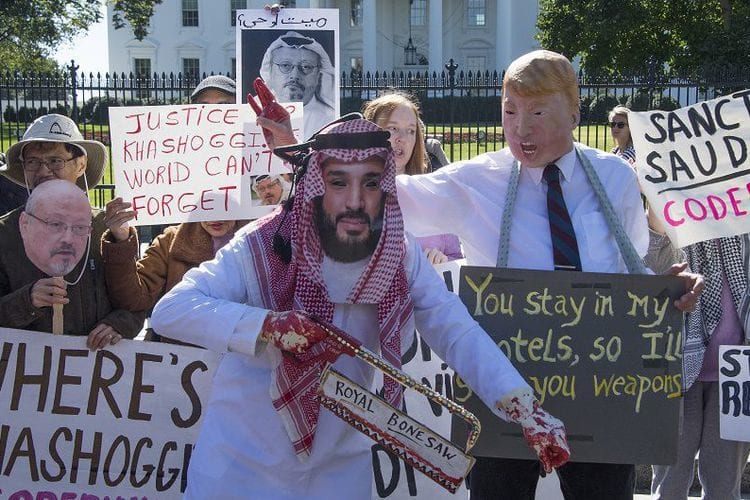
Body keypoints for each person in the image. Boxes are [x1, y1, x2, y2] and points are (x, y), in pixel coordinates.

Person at [149, 117, 570, 499]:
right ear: (316, 185)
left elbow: (453, 326)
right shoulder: (262, 245)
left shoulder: (399, 253)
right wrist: (268, 326)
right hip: (242, 467)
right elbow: (174, 309)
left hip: (339, 470)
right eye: (338, 183)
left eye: (370, 183)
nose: (355, 200)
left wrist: (523, 406)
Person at [395, 49, 704, 500]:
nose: (521, 128)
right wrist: (306, 152)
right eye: (509, 111)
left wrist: (667, 288)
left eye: (538, 112)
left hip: (602, 389)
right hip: (503, 391)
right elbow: (382, 197)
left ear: (576, 112)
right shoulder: (474, 181)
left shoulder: (614, 177)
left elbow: (628, 267)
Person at [101, 75, 248, 342]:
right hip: (181, 367)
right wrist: (121, 239)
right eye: (204, 107)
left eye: (225, 106)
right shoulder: (171, 242)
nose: (214, 114)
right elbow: (134, 297)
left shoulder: (265, 238)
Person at [0, 114, 143, 349]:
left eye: (55, 160)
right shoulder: (5, 232)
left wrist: (120, 324)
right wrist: (27, 301)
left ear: (81, 164)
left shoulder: (106, 228)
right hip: (28, 375)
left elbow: (135, 302)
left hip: (96, 371)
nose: (43, 171)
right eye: (33, 162)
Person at [648, 232, 750, 498]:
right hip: (675, 367)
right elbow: (653, 261)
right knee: (669, 484)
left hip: (737, 375)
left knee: (724, 487)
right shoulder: (675, 225)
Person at [363, 92, 462, 264]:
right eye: (392, 128)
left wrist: (444, 262)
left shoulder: (434, 197)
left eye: (410, 131)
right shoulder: (349, 199)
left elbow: (457, 260)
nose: (402, 138)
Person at [260, 30, 336, 138]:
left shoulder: (330, 118)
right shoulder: (251, 114)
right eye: (285, 65)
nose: (295, 75)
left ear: (318, 75)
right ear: (270, 71)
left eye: (306, 67)